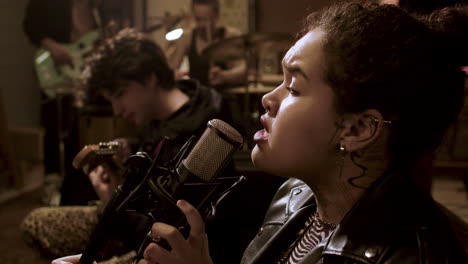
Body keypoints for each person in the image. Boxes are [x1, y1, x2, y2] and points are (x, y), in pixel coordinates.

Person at [86, 2, 468, 264]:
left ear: (358, 128)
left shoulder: (414, 254)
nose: (269, 99)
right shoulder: (295, 195)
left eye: (295, 87)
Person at [23, 28, 280, 264]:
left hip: (149, 240)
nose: (116, 110)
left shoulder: (202, 139)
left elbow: (161, 236)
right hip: (131, 222)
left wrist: (113, 199)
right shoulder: (168, 109)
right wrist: (127, 157)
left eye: (119, 95)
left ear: (150, 78)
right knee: (37, 221)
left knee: (38, 228)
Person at [23, 0, 101, 205]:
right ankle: (53, 183)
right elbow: (29, 25)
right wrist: (53, 47)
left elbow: (90, 38)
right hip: (54, 70)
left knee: (76, 127)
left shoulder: (94, 7)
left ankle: (74, 182)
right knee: (53, 125)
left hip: (79, 76)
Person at [168, 0, 246, 88]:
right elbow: (171, 70)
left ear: (217, 16)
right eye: (198, 19)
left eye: (206, 20)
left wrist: (225, 76)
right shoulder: (187, 38)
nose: (201, 25)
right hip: (199, 97)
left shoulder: (230, 35)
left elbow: (243, 69)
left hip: (226, 97)